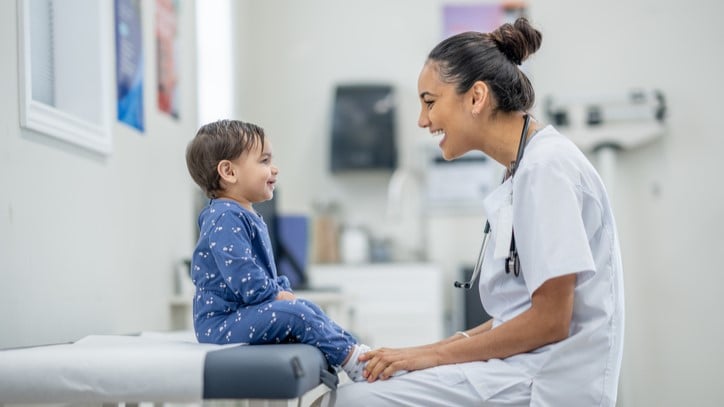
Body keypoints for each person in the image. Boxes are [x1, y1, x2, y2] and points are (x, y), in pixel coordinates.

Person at [320, 17, 624, 406]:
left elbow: (551, 319)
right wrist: (426, 352)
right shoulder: (522, 168)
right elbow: (516, 313)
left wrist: (430, 355)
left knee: (350, 401)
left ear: (477, 97)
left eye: (430, 102)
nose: (422, 120)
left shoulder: (546, 167)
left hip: (545, 383)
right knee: (359, 391)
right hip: (523, 371)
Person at [185, 119, 371, 382]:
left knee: (305, 308)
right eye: (264, 161)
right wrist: (275, 295)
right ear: (229, 172)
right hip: (221, 324)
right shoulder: (223, 217)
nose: (274, 169)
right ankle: (354, 361)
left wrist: (280, 292)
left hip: (240, 315)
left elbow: (259, 274)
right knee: (297, 313)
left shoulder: (242, 214)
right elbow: (243, 274)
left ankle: (355, 352)